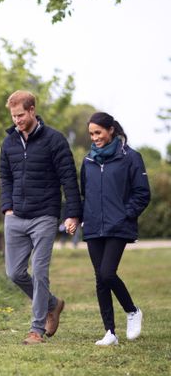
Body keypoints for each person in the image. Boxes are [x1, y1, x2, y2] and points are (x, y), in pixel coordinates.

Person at [0, 90, 82, 345]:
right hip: (16, 216)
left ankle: (36, 330)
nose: (17, 121)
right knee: (14, 273)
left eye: (21, 115)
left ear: (33, 110)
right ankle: (53, 304)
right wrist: (7, 208)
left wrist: (73, 214)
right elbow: (5, 177)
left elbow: (69, 178)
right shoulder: (9, 142)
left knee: (40, 271)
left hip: (45, 215)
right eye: (14, 116)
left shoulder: (54, 140)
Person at [80, 112, 150, 346]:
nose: (94, 137)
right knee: (100, 279)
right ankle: (110, 332)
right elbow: (85, 193)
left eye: (98, 132)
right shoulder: (88, 161)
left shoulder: (131, 157)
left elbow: (142, 194)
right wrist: (79, 217)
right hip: (92, 226)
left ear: (111, 130)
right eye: (91, 134)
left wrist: (124, 215)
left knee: (108, 273)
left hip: (118, 226)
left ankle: (132, 311)